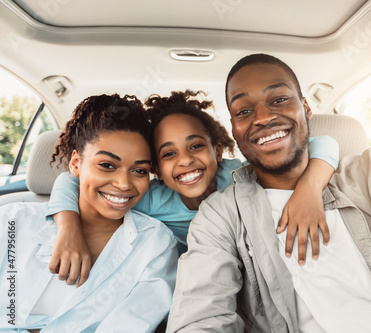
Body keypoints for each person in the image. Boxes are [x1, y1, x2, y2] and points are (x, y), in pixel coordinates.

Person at [165, 53, 371, 333]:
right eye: (244, 111)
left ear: (306, 108)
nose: (261, 117)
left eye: (279, 99)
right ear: (233, 127)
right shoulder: (220, 216)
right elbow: (201, 314)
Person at [47, 90, 340, 285]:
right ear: (156, 170)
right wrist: (68, 227)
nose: (186, 161)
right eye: (169, 154)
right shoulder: (148, 198)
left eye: (196, 146)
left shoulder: (240, 174)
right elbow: (72, 182)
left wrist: (310, 189)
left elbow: (323, 144)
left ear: (219, 151)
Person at [0, 94, 177, 332]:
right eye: (107, 165)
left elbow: (131, 324)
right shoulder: (12, 219)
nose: (124, 184)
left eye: (139, 170)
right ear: (75, 163)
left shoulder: (155, 244)